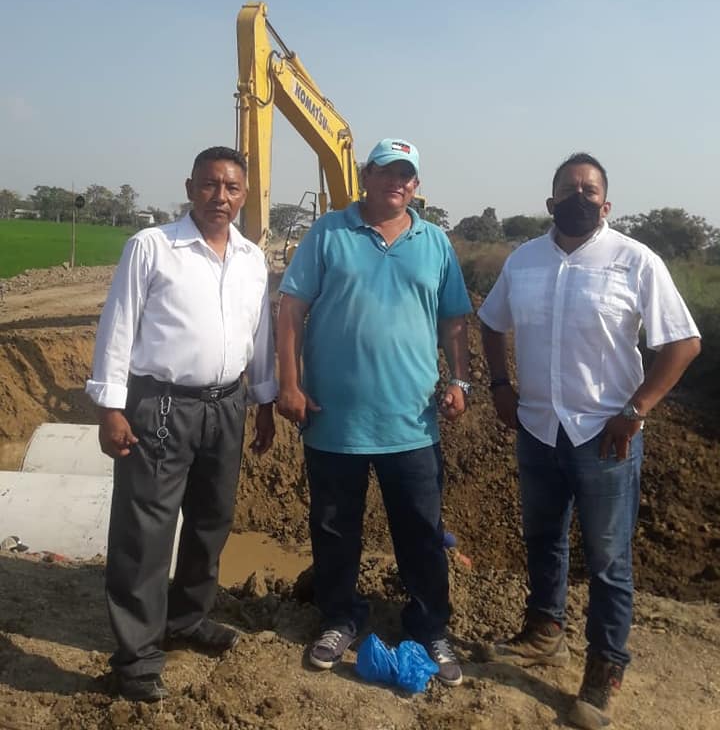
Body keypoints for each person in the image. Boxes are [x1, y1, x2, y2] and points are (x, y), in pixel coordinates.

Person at [478, 152, 700, 729]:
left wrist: (636, 409)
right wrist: (500, 384)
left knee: (608, 560)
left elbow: (683, 343)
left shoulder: (635, 260)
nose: (579, 196)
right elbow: (491, 322)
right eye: (568, 189)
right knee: (542, 539)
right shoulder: (524, 260)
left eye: (589, 189)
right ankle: (544, 633)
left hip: (606, 438)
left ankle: (605, 667)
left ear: (606, 204)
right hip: (537, 428)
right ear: (550, 201)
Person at [277, 138, 472, 687]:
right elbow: (291, 308)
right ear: (366, 176)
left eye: (406, 175)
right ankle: (339, 618)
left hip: (412, 423)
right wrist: (289, 383)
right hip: (334, 420)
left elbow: (454, 319)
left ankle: (430, 626)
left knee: (422, 532)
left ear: (416, 185)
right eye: (387, 171)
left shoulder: (434, 243)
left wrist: (460, 380)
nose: (397, 182)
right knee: (335, 529)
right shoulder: (328, 233)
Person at [86, 146, 277, 703]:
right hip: (162, 405)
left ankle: (187, 618)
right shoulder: (152, 247)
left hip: (227, 405)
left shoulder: (251, 258)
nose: (221, 196)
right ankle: (137, 657)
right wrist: (110, 408)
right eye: (210, 185)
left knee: (211, 519)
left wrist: (264, 401)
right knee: (145, 531)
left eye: (232, 188)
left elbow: (260, 335)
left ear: (245, 195)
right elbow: (118, 325)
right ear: (190, 187)